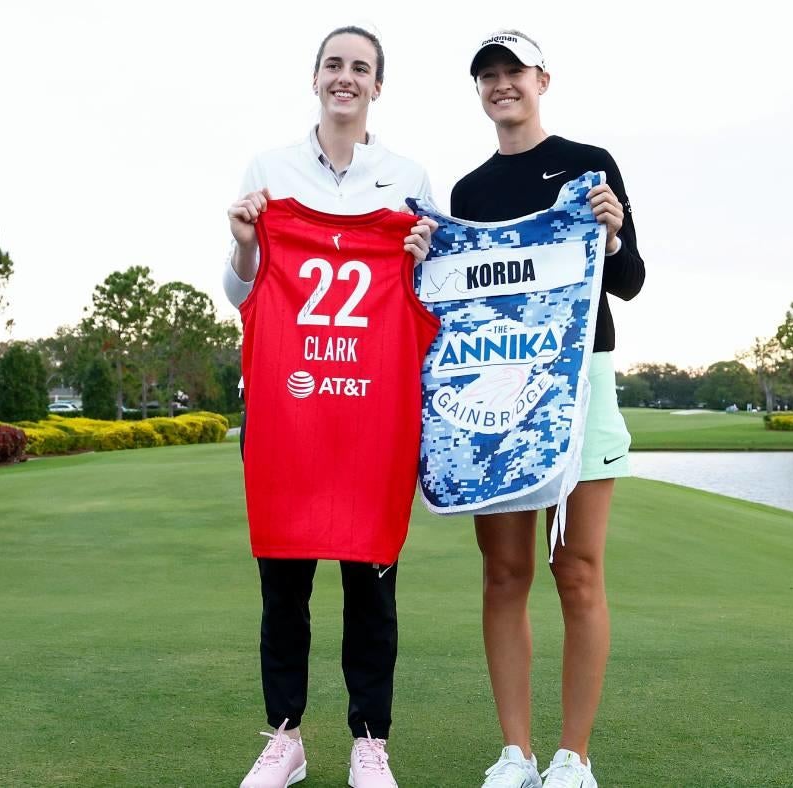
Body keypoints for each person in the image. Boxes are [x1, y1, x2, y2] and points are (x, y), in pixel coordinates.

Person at [222, 25, 436, 788]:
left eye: (361, 68)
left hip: (372, 417)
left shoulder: (408, 178)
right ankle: (285, 735)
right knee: (284, 586)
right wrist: (250, 240)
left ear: (378, 86)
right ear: (315, 78)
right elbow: (243, 293)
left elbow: (427, 303)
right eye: (334, 65)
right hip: (289, 415)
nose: (346, 77)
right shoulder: (269, 171)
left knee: (370, 590)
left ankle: (369, 739)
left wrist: (416, 263)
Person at [449, 30, 646, 788]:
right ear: (480, 91)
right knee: (504, 572)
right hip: (496, 388)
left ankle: (574, 757)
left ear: (542, 80)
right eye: (488, 76)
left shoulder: (591, 165)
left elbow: (625, 282)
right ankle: (515, 753)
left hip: (582, 382)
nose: (502, 85)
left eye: (514, 73)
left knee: (579, 570)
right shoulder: (470, 193)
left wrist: (614, 228)